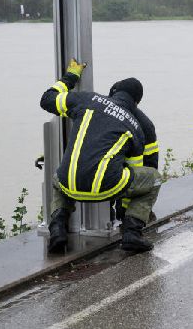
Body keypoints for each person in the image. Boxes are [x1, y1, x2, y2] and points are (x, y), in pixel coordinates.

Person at [41, 65, 162, 254]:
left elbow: (47, 100)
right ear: (136, 103)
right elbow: (133, 173)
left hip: (68, 185)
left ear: (114, 92)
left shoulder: (87, 99)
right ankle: (132, 232)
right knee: (153, 178)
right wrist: (123, 212)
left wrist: (70, 77)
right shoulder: (135, 125)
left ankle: (57, 229)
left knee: (58, 179)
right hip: (107, 189)